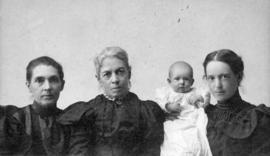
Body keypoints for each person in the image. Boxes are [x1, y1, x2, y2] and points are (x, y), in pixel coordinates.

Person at [58, 46, 164, 156]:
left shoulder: (147, 111)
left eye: (120, 72)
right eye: (107, 74)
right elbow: (79, 151)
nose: (115, 80)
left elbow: (152, 150)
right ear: (98, 78)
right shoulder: (88, 112)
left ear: (129, 73)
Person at [203, 49, 270, 156]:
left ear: (238, 77)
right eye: (211, 78)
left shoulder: (258, 118)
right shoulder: (203, 115)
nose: (217, 85)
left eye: (224, 77)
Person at [9, 56, 70, 155]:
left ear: (62, 85)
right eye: (39, 80)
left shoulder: (70, 122)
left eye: (53, 80)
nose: (47, 87)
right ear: (29, 86)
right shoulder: (15, 121)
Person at [155, 61, 212, 156]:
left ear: (192, 81)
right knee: (174, 142)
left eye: (186, 79)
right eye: (177, 79)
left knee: (196, 141)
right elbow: (158, 103)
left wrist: (199, 99)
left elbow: (205, 101)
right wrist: (168, 106)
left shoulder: (195, 92)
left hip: (192, 123)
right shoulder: (167, 93)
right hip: (174, 123)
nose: (182, 82)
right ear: (169, 81)